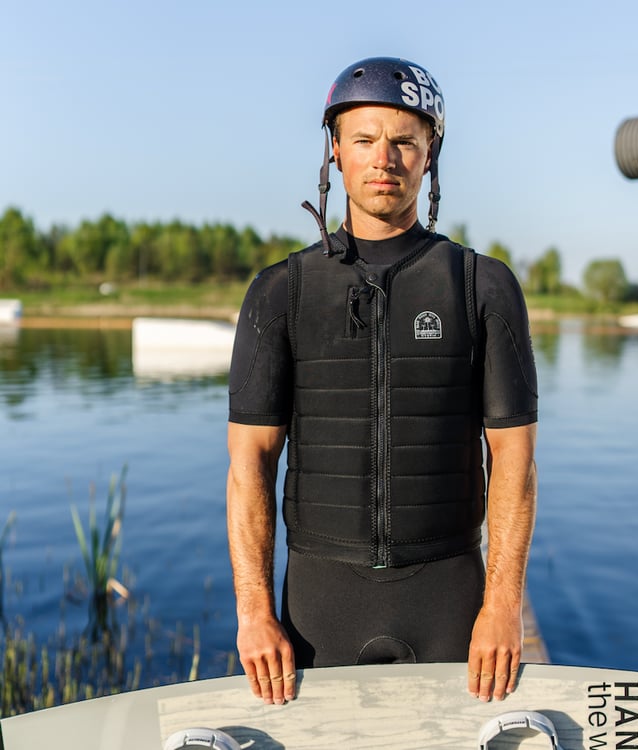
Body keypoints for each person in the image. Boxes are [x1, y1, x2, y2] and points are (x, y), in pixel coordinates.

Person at [226, 56, 538, 707]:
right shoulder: (281, 292)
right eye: (365, 139)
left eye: (405, 141)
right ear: (335, 151)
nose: (384, 159)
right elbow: (250, 460)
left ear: (430, 155)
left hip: (447, 595)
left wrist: (503, 605)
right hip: (320, 603)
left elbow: (513, 456)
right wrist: (254, 611)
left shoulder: (481, 286)